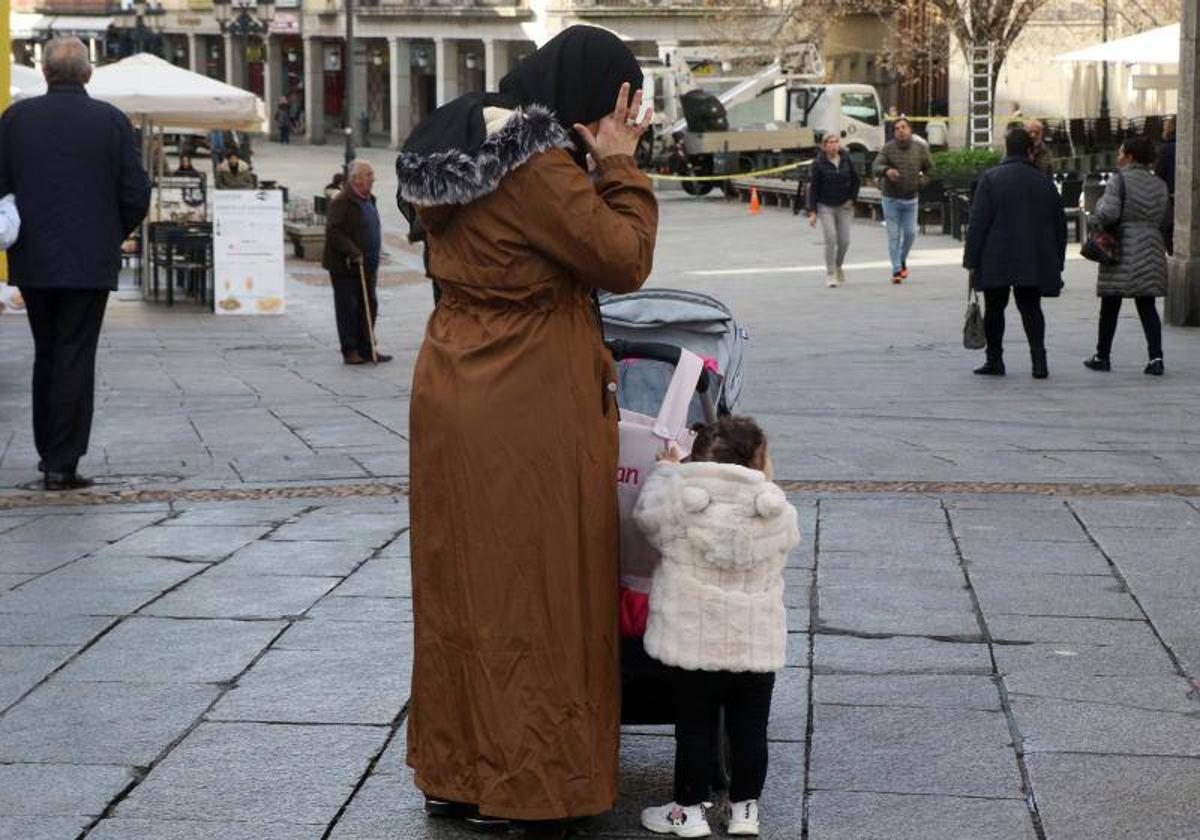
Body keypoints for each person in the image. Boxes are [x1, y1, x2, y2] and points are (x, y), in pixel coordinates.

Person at [395, 25, 657, 831]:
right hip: (526, 394)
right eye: (624, 102)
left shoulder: (463, 131)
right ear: (597, 95)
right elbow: (622, 257)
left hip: (452, 380)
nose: (628, 116)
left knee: (462, 585)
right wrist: (619, 164)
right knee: (535, 593)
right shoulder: (540, 163)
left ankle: (457, 768)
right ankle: (531, 783)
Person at [634, 416, 799, 838]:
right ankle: (745, 810)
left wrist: (667, 470)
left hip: (694, 643)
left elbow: (645, 518)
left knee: (694, 729)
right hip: (754, 646)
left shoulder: (678, 500)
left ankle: (687, 811)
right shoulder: (775, 509)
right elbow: (786, 543)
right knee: (750, 730)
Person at [0, 37, 150, 491]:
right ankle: (62, 462)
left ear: (44, 72)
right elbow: (136, 193)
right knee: (75, 355)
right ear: (88, 73)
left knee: (47, 353)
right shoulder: (111, 122)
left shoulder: (15, 120)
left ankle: (49, 453)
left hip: (33, 260)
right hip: (89, 262)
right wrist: (111, 233)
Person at [963, 127, 1066, 379]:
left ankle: (995, 360)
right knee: (1031, 307)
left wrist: (971, 259)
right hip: (1032, 256)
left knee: (995, 308)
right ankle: (1039, 361)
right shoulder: (1044, 182)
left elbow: (978, 223)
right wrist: (1057, 261)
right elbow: (1059, 225)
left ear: (1006, 148)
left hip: (996, 255)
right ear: (1030, 150)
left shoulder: (991, 178)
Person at [1084, 135, 1171, 376]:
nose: (1119, 156)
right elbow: (1165, 217)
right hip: (1151, 246)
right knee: (1147, 305)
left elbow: (1109, 213)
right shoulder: (1160, 185)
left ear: (1130, 156)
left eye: (1122, 152)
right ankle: (1156, 358)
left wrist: (1095, 213)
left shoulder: (1118, 181)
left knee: (1110, 304)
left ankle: (1102, 355)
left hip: (1122, 247)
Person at [321, 160, 391, 366]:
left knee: (369, 306)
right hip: (346, 266)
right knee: (348, 308)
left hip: (367, 265)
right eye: (369, 174)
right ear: (356, 179)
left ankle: (367, 348)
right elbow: (333, 230)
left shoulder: (369, 199)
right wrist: (353, 251)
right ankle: (350, 350)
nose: (373, 178)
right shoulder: (342, 201)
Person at [872, 117, 933, 284]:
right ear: (894, 133)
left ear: (910, 130)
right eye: (897, 128)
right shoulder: (888, 149)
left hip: (910, 200)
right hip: (890, 199)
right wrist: (886, 171)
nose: (900, 130)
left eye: (903, 127)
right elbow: (875, 166)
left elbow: (930, 170)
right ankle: (897, 270)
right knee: (894, 236)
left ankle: (901, 258)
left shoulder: (920, 149)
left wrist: (920, 182)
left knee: (910, 234)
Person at [799, 132, 860, 287]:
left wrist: (852, 199)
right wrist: (812, 212)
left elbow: (856, 180)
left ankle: (839, 265)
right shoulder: (819, 163)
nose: (834, 145)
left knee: (845, 241)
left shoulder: (846, 159)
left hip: (844, 205)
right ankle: (830, 273)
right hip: (825, 206)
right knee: (831, 239)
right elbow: (813, 189)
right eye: (830, 142)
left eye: (836, 142)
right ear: (824, 146)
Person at [1155, 118, 1176, 254]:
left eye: (1164, 128)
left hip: (1172, 198)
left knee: (1167, 230)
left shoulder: (1165, 149)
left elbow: (1159, 177)